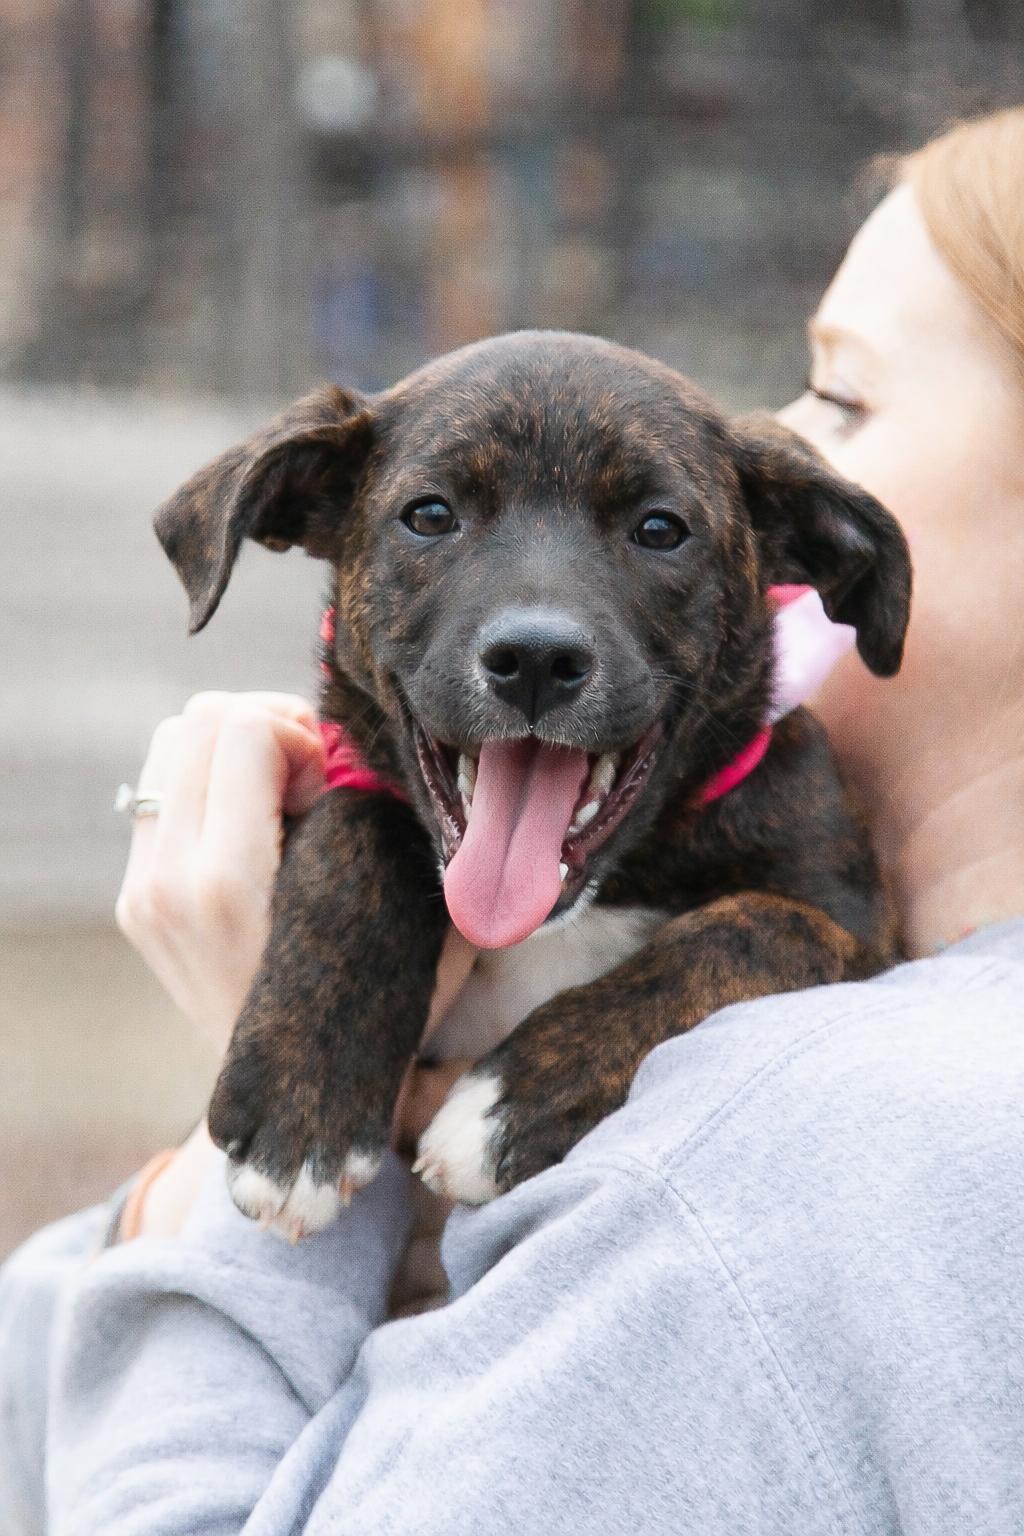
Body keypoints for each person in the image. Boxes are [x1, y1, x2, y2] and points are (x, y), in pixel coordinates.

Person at [3, 108, 1023, 1534]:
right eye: (435, 518)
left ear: (811, 554)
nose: (538, 622)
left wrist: (240, 1226)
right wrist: (301, 994)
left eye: (836, 396)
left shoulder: (798, 1143)